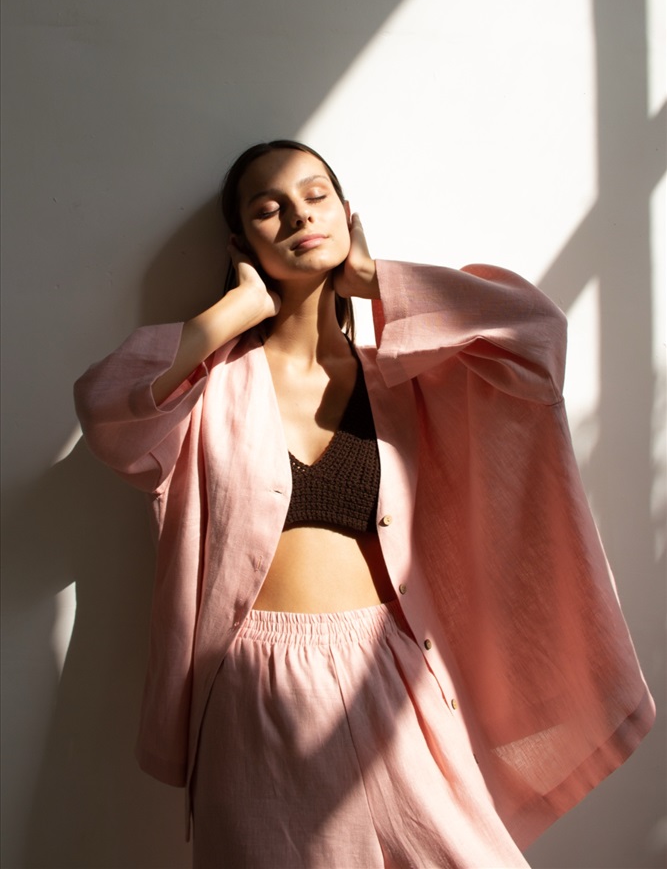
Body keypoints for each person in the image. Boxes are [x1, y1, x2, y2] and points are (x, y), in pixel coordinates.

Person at [74, 140, 654, 868]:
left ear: (347, 215)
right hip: (254, 688)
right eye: (269, 208)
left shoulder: (405, 378)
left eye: (315, 196)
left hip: (394, 672)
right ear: (241, 243)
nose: (298, 216)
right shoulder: (208, 391)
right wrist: (235, 310)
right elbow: (106, 408)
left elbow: (533, 339)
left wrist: (375, 279)